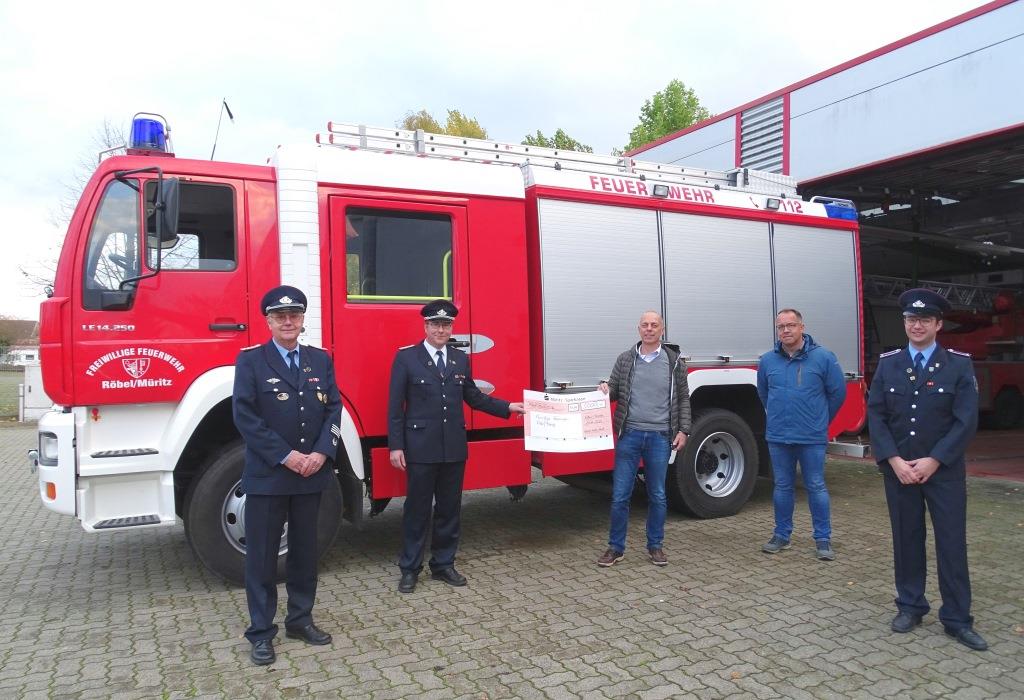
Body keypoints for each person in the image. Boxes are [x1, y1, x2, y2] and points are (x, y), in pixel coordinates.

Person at [868, 288, 987, 651]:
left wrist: (935, 459)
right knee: (907, 540)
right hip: (900, 471)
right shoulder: (889, 364)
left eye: (924, 320)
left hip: (944, 471)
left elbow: (965, 421)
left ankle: (956, 617)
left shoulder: (959, 365)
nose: (916, 325)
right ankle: (910, 605)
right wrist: (893, 460)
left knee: (951, 543)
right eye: (910, 319)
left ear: (938, 324)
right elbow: (876, 415)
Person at [232, 285, 342, 666]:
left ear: (302, 319)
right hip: (269, 476)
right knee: (261, 559)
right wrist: (286, 455)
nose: (288, 321)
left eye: (294, 315)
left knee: (304, 553)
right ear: (268, 321)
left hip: (310, 474)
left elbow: (334, 410)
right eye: (280, 316)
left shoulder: (320, 360)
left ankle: (300, 619)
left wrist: (321, 452)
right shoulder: (251, 361)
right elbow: (245, 417)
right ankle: (261, 633)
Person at [388, 299, 525, 593]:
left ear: (452, 328)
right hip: (420, 448)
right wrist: (395, 446)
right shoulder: (407, 358)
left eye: (446, 324)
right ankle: (410, 568)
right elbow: (395, 407)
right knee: (417, 510)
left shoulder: (459, 359)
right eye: (435, 324)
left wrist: (508, 407)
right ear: (425, 326)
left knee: (450, 509)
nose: (441, 329)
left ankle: (443, 564)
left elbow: (473, 397)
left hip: (452, 446)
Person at [597, 311, 691, 567]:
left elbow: (683, 398)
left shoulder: (673, 362)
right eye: (645, 325)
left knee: (658, 495)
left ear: (662, 329)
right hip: (630, 435)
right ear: (638, 329)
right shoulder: (626, 359)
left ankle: (655, 546)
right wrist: (606, 388)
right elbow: (615, 389)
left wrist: (684, 430)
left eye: (654, 325)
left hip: (660, 437)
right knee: (619, 495)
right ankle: (616, 548)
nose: (649, 329)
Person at [757, 309, 846, 561]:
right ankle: (782, 535)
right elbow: (763, 393)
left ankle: (823, 539)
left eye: (791, 325)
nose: (786, 330)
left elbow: (837, 394)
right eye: (781, 326)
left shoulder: (824, 358)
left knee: (816, 486)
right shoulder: (767, 361)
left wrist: (819, 420)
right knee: (782, 486)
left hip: (812, 437)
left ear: (802, 327)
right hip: (778, 436)